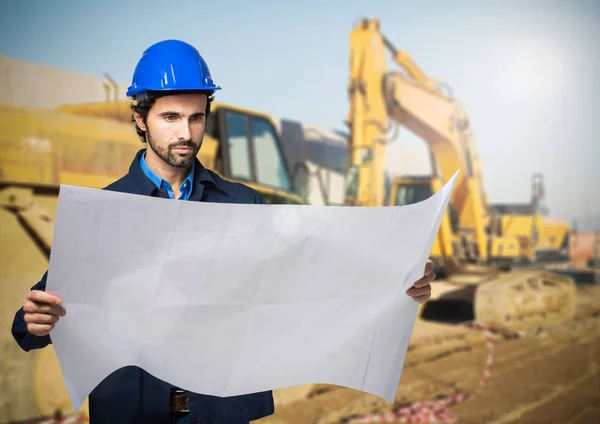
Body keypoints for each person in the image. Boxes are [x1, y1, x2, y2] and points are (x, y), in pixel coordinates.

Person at [11, 40, 437, 424]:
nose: (185, 133)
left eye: (197, 117)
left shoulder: (243, 205)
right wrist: (36, 322)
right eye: (171, 117)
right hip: (136, 413)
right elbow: (37, 317)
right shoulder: (102, 212)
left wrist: (397, 282)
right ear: (140, 119)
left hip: (219, 412)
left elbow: (306, 283)